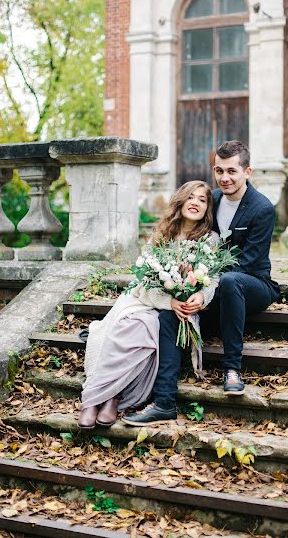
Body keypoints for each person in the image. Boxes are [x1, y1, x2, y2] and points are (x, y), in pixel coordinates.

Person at [123, 140, 280, 427]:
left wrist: (203, 290)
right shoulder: (213, 199)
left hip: (252, 284)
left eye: (232, 171)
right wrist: (185, 291)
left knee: (232, 280)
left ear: (248, 172)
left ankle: (232, 369)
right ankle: (165, 402)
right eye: (219, 170)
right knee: (170, 315)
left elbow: (248, 263)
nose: (225, 177)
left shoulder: (261, 209)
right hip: (208, 287)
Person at [78, 180, 217, 430]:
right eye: (191, 197)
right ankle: (97, 397)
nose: (195, 202)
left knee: (145, 327)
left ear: (207, 209)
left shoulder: (210, 239)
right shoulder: (161, 235)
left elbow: (213, 278)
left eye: (202, 200)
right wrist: (168, 300)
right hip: (146, 299)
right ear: (181, 201)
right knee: (127, 323)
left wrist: (202, 296)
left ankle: (113, 396)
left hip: (179, 309)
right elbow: (144, 281)